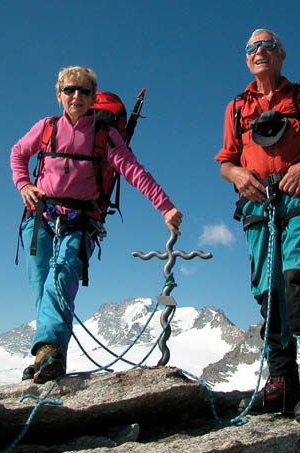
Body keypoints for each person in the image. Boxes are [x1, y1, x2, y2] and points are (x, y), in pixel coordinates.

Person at [11, 66, 182, 384]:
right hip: (40, 217)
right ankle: (46, 354)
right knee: (41, 286)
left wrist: (165, 206)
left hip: (80, 221)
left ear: (92, 97)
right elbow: (18, 153)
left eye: (85, 91)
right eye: (70, 90)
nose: (77, 96)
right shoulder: (46, 128)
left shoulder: (105, 134)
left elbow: (133, 170)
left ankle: (49, 351)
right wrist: (23, 185)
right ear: (59, 93)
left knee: (59, 280)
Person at [215, 29, 300, 424]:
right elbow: (225, 161)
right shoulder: (236, 108)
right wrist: (237, 175)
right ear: (246, 59)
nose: (259, 51)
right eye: (251, 47)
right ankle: (282, 381)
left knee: (297, 279)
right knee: (268, 292)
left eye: (267, 45)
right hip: (257, 205)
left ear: (281, 54)